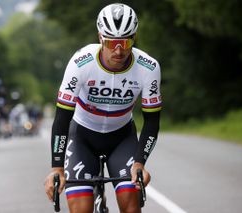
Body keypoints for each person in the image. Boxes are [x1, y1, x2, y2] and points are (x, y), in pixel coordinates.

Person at [45, 3, 162, 213]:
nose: (119, 50)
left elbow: (152, 121)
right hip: (82, 136)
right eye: (111, 42)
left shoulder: (149, 68)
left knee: (130, 204)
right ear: (100, 38)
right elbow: (62, 118)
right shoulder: (81, 63)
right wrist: (57, 168)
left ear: (134, 38)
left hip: (122, 138)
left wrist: (139, 163)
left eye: (125, 42)